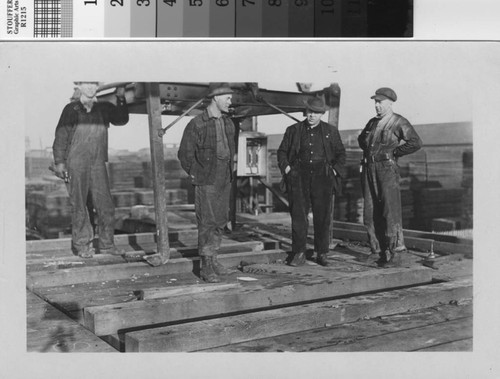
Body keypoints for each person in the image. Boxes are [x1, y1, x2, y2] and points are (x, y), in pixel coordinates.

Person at [52, 81, 129, 258]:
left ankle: (107, 245)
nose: (90, 87)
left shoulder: (103, 107)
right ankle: (82, 245)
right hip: (76, 162)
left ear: (97, 86)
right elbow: (61, 136)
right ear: (79, 86)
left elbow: (121, 120)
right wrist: (60, 163)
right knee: (79, 205)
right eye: (86, 83)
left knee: (105, 204)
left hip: (97, 162)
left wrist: (121, 97)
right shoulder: (71, 109)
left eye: (93, 83)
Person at [178, 83, 236, 283]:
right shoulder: (197, 124)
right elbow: (185, 155)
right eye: (227, 98)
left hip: (224, 177)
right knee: (207, 222)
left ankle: (214, 259)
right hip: (207, 179)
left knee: (220, 220)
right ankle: (206, 266)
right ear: (216, 98)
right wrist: (198, 175)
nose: (231, 101)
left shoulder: (229, 122)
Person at [277, 97, 346, 267]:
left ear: (322, 114)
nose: (312, 116)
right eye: (310, 112)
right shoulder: (293, 130)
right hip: (299, 176)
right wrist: (287, 169)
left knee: (322, 217)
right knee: (299, 216)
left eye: (316, 113)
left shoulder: (330, 131)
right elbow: (282, 152)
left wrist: (334, 170)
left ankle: (321, 253)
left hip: (322, 177)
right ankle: (299, 253)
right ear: (305, 112)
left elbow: (341, 154)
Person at [358, 87, 422, 267]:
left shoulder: (398, 121)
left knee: (389, 211)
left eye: (381, 102)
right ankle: (378, 251)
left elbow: (416, 142)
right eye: (375, 102)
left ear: (390, 103)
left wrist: (395, 152)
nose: (377, 105)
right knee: (370, 213)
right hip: (370, 167)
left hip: (387, 169)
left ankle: (396, 252)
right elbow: (362, 140)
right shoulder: (372, 123)